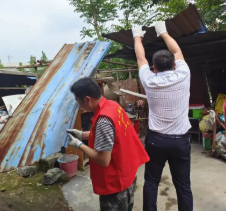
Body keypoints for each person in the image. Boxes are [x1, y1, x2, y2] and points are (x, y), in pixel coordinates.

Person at [131, 20, 193, 210]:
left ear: (154, 68)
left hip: (156, 141)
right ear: (174, 65)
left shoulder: (149, 80)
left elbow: (141, 58)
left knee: (151, 182)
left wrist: (137, 36)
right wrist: (163, 32)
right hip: (180, 141)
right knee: (183, 186)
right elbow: (177, 52)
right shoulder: (183, 74)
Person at [67, 77, 149, 211]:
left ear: (88, 99)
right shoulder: (112, 105)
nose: (78, 105)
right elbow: (111, 135)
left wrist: (79, 145)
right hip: (128, 172)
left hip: (116, 184)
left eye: (78, 101)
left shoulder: (103, 120)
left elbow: (103, 160)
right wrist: (82, 135)